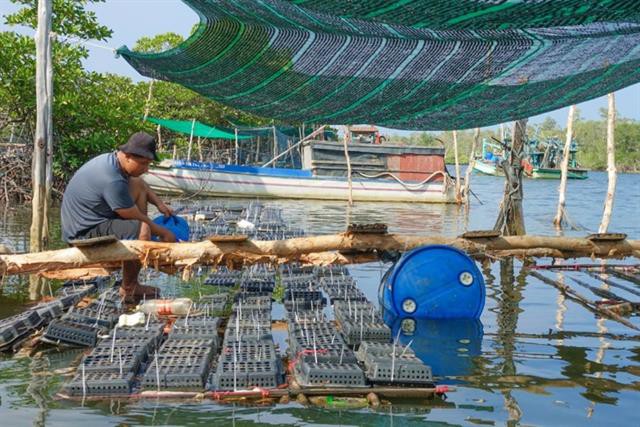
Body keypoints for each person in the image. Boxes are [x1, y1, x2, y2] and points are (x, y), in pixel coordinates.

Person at [61, 131, 176, 302]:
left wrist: (159, 204)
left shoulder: (113, 161)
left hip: (95, 218)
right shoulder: (112, 178)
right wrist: (162, 232)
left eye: (149, 164)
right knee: (141, 229)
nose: (146, 169)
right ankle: (129, 286)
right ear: (128, 156)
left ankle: (131, 267)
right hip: (83, 231)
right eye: (143, 164)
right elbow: (131, 214)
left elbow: (140, 184)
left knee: (137, 184)